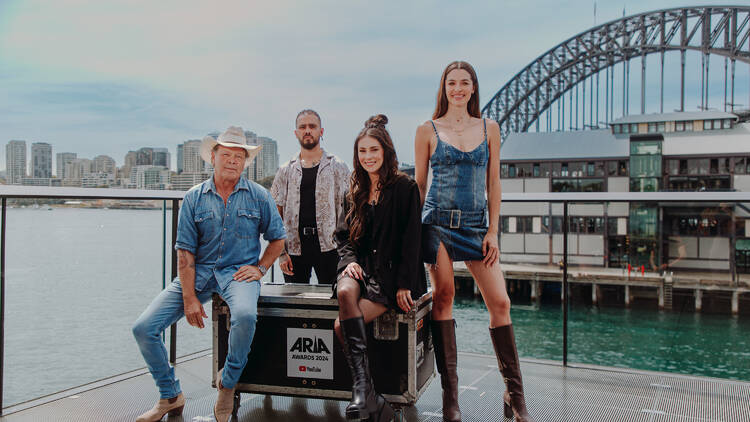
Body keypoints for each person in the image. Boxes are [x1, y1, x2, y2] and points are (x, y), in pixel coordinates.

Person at [132, 126, 286, 422]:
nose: (232, 161)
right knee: (143, 328)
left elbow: (278, 238)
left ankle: (227, 383)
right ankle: (170, 395)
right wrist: (189, 297)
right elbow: (185, 253)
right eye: (225, 154)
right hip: (199, 272)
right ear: (212, 158)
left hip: (237, 273)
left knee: (245, 316)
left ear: (245, 162)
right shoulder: (193, 198)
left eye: (238, 156)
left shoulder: (258, 196)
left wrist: (261, 267)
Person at [414, 61, 534, 422]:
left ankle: (515, 396)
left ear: (473, 88)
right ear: (444, 88)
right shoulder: (427, 130)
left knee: (501, 302)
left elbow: (493, 183)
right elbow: (419, 186)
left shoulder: (490, 128)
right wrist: (409, 237)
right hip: (436, 225)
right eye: (452, 83)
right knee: (445, 297)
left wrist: (493, 230)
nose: (458, 89)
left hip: (476, 227)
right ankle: (451, 399)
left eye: (465, 83)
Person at [333, 114, 427, 422]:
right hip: (362, 269)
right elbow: (342, 237)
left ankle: (368, 394)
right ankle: (369, 395)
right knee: (346, 289)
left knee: (339, 327)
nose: (368, 157)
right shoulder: (354, 191)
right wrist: (350, 263)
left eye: (373, 150)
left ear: (385, 151)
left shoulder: (404, 188)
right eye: (362, 151)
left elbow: (412, 240)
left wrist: (403, 284)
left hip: (390, 277)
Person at [271, 109, 350, 284]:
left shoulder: (338, 166)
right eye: (303, 127)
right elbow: (275, 214)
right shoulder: (285, 170)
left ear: (321, 131)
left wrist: (347, 252)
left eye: (312, 126)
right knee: (295, 304)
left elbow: (350, 212)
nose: (307, 130)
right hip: (294, 249)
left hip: (331, 247)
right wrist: (281, 254)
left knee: (333, 302)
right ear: (296, 133)